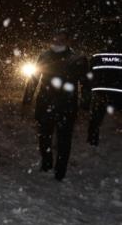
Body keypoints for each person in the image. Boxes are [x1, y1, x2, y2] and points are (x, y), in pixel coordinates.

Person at [22, 29, 89, 180]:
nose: (58, 40)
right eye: (55, 37)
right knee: (44, 136)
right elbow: (34, 79)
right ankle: (47, 164)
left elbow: (85, 83)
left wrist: (85, 104)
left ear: (67, 40)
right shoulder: (44, 56)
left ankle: (60, 171)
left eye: (62, 38)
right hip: (45, 104)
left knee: (64, 140)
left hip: (67, 106)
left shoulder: (77, 59)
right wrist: (27, 100)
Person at [87, 24, 122, 146]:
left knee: (95, 120)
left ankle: (92, 142)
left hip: (101, 92)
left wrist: (92, 88)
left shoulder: (97, 56)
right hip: (119, 91)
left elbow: (90, 74)